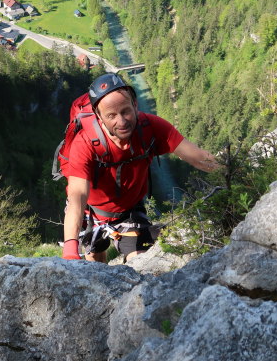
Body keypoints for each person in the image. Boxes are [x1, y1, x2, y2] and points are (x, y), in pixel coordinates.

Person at [62, 73, 221, 263]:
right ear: (99, 116)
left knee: (140, 262)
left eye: (126, 111)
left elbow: (199, 158)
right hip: (91, 214)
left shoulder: (151, 127)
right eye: (111, 115)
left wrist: (236, 174)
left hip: (129, 212)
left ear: (135, 105)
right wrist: (71, 249)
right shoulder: (86, 143)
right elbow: (77, 197)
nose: (121, 122)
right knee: (95, 261)